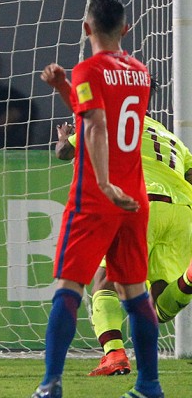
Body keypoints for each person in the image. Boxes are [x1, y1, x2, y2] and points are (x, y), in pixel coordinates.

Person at [30, 0, 161, 398]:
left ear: (87, 28)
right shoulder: (141, 72)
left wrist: (104, 184)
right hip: (135, 197)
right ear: (125, 28)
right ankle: (149, 386)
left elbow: (97, 126)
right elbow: (100, 112)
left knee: (69, 288)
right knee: (134, 291)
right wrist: (64, 88)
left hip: (96, 196)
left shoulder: (89, 67)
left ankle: (51, 384)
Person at [53, 106, 192, 377]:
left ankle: (114, 354)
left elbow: (63, 152)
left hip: (138, 203)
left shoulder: (109, 120)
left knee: (105, 280)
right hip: (182, 213)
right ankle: (189, 276)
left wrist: (65, 135)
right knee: (159, 306)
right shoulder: (169, 137)